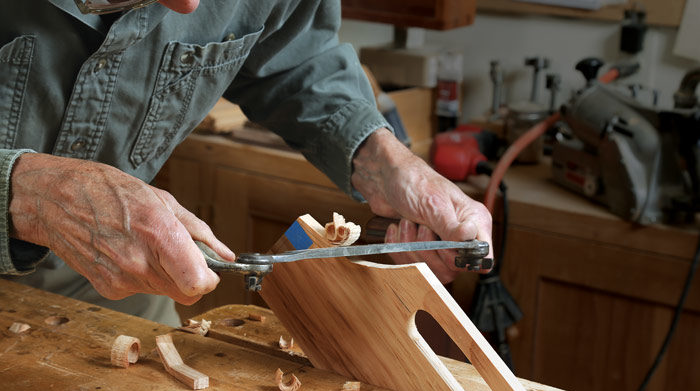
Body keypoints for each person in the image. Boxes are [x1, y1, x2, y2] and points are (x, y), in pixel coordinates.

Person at [1, 0, 492, 326]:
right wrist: (32, 195)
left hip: (112, 284)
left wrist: (384, 163)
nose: (191, 5)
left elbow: (290, 58)